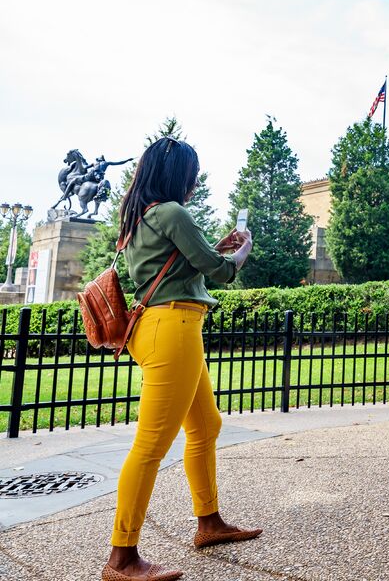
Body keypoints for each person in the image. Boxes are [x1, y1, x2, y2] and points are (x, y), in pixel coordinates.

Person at [103, 137, 259, 581]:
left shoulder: (143, 217)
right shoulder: (171, 212)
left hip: (170, 328)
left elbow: (183, 265)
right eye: (191, 174)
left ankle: (209, 523)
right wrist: (242, 248)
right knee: (151, 445)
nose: (194, 182)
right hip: (171, 329)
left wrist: (215, 247)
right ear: (177, 176)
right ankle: (122, 557)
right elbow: (221, 271)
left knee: (206, 425)